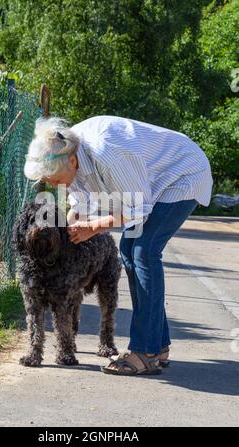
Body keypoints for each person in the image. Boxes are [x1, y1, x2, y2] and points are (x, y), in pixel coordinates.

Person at [24, 115, 213, 376]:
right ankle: (158, 344)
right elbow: (81, 207)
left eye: (54, 180)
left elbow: (137, 210)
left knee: (142, 251)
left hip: (181, 175)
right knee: (128, 250)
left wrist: (93, 228)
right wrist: (66, 236)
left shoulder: (108, 154)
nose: (53, 186)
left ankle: (145, 352)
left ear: (71, 160)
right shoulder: (66, 154)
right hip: (152, 184)